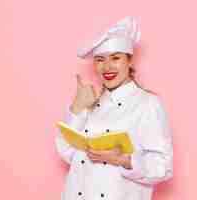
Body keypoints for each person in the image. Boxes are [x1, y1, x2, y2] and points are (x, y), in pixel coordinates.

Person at [55, 16, 173, 200]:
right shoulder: (90, 99)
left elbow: (163, 166)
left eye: (116, 58)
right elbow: (67, 153)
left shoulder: (147, 104)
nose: (107, 67)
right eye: (100, 60)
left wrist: (122, 160)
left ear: (129, 61)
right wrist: (77, 107)